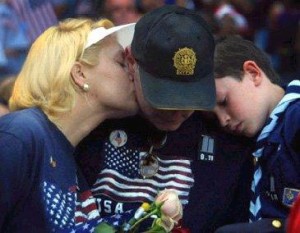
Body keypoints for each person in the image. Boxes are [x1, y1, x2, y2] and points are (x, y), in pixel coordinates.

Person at [75, 5, 254, 232]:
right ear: (131, 60)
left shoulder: (228, 138)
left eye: (191, 95)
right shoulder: (95, 124)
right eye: (164, 95)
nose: (178, 110)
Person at [0, 17, 139, 232]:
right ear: (80, 74)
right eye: (121, 63)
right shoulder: (22, 134)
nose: (132, 73)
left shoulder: (68, 155)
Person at [213, 35, 300, 233]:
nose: (223, 120)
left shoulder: (295, 118)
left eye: (224, 102)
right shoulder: (259, 137)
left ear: (253, 73)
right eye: (214, 116)